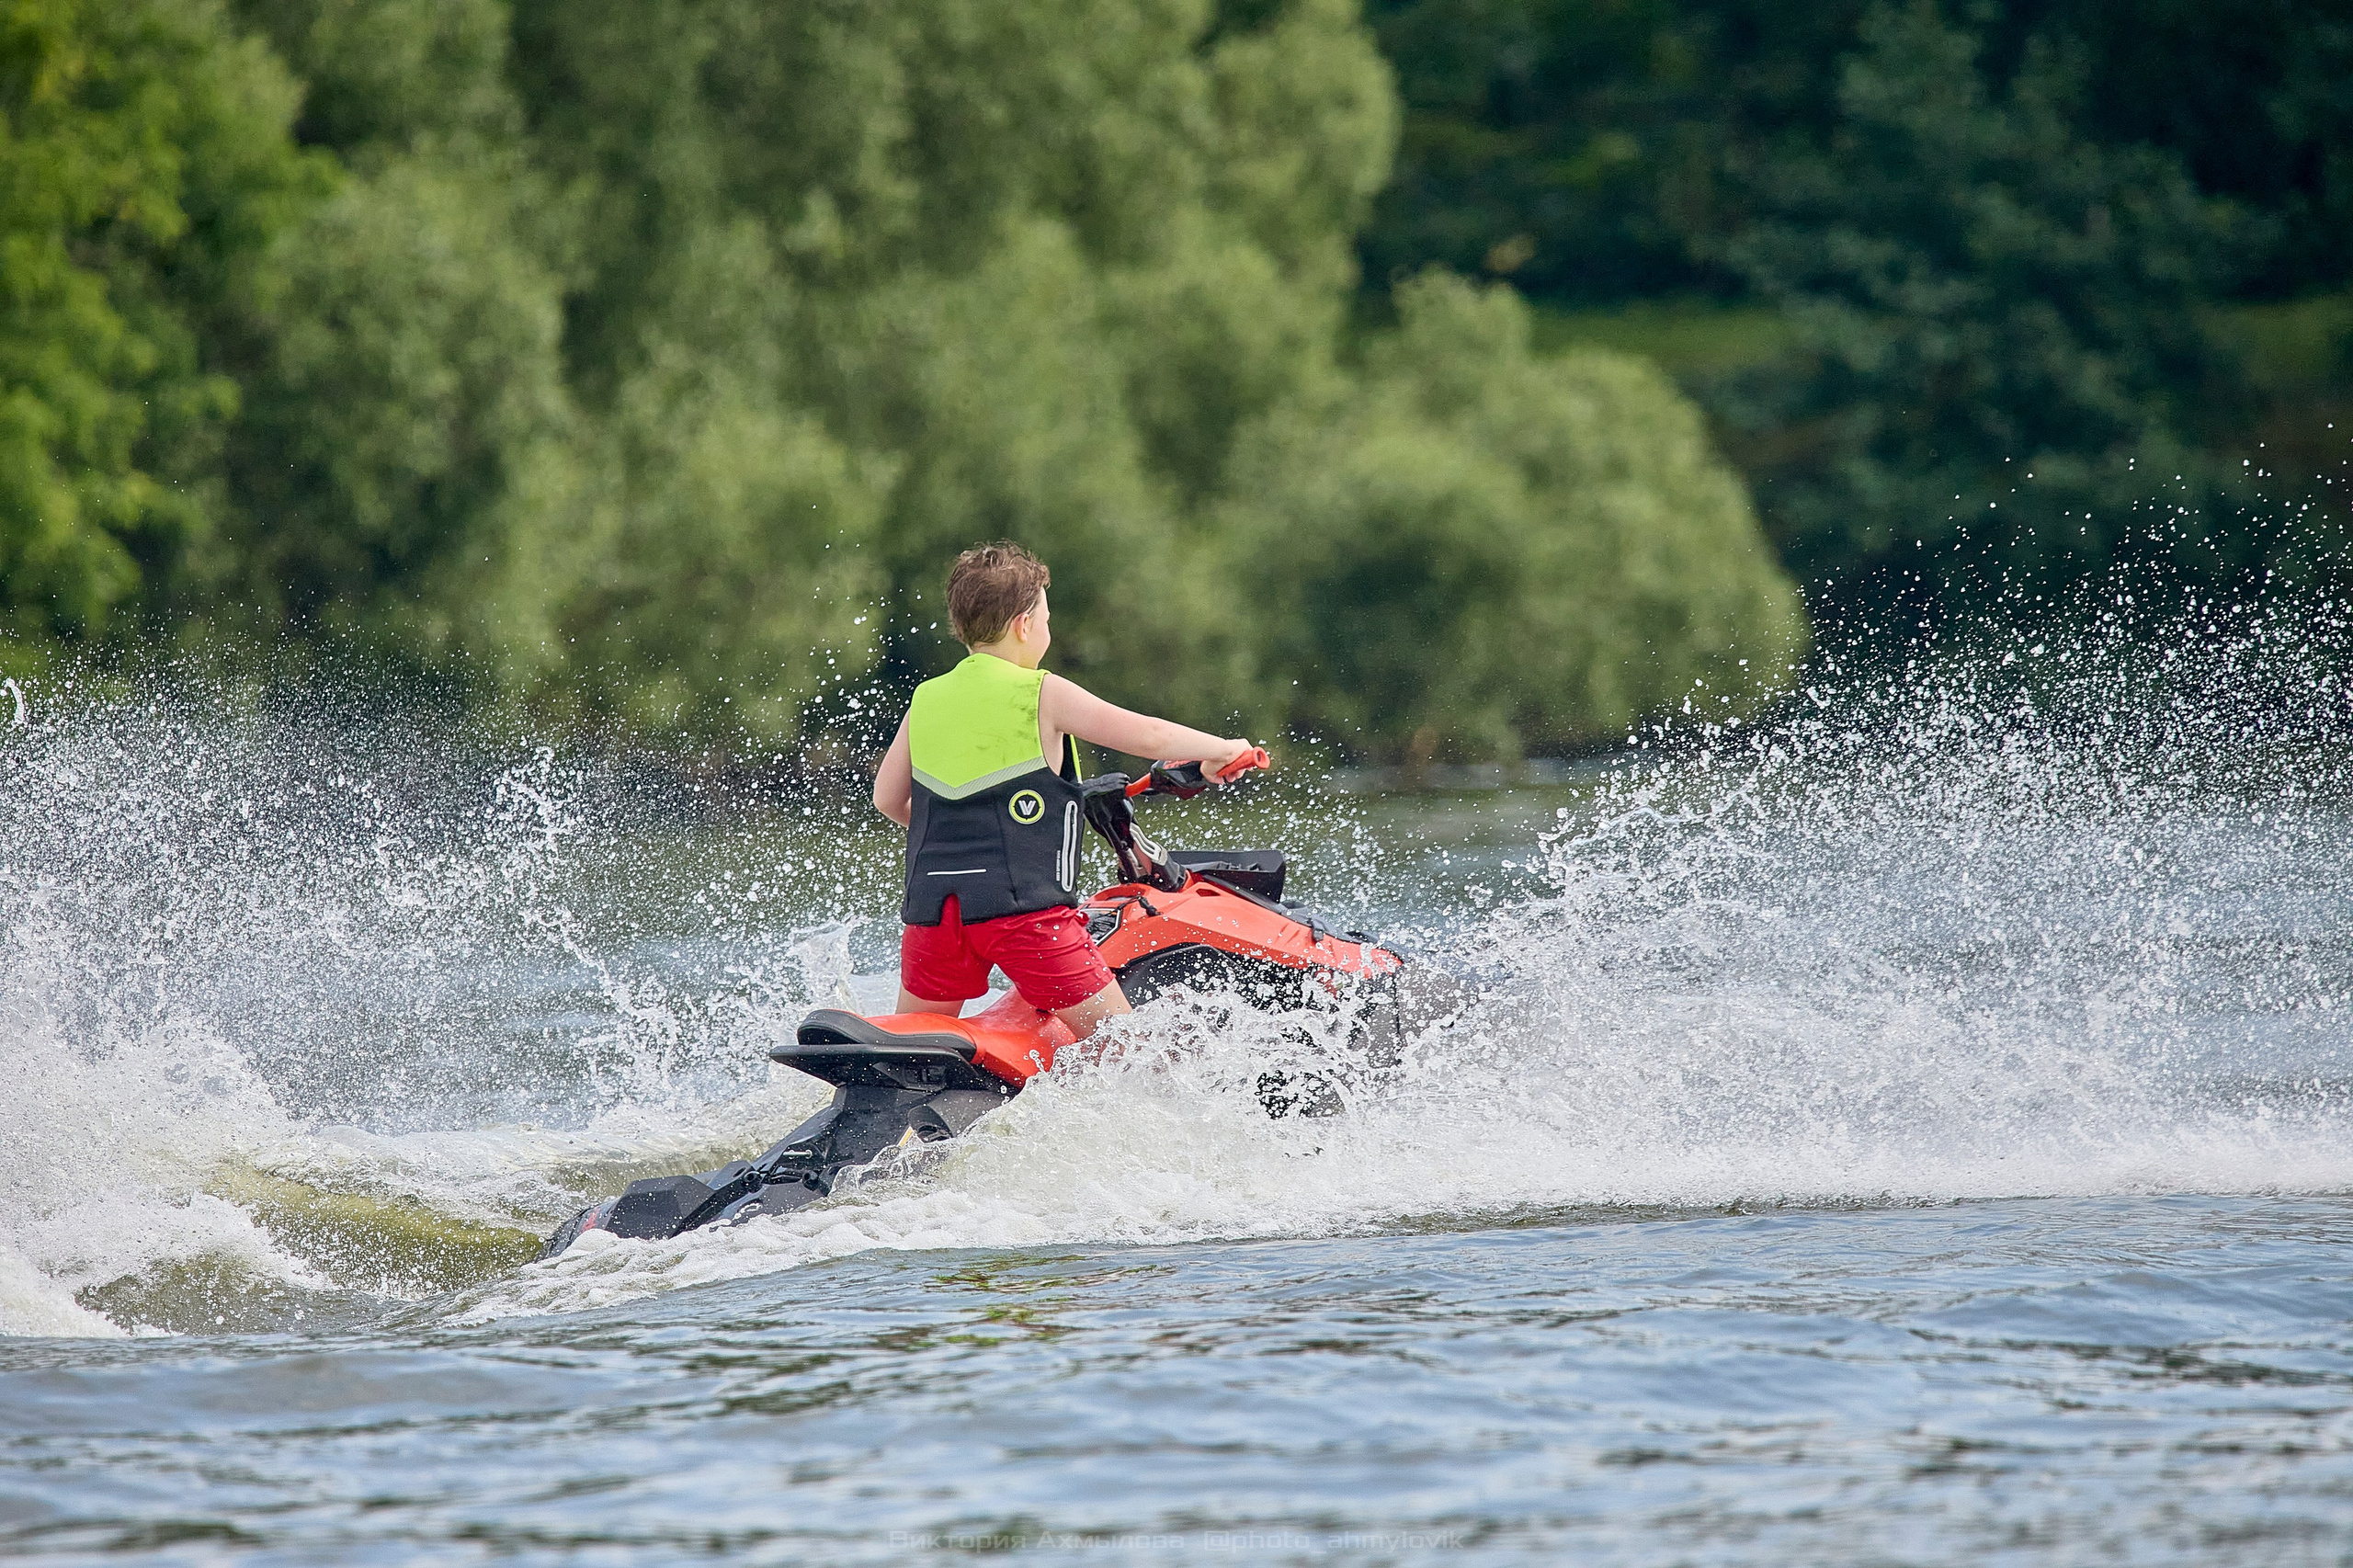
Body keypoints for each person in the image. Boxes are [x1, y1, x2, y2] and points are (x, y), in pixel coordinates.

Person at [872, 542, 1258, 1038]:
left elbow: (887, 799)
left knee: (907, 1047)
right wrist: (1223, 748)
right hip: (1027, 920)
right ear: (1024, 625)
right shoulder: (1042, 693)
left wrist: (962, 837)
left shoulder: (926, 699)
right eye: (1047, 619)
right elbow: (1149, 736)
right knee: (1126, 1051)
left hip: (934, 918)